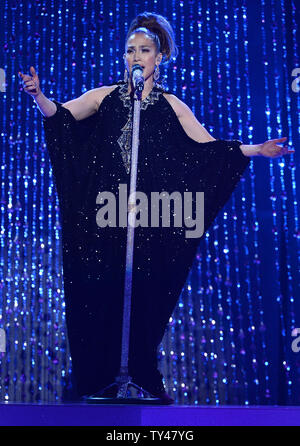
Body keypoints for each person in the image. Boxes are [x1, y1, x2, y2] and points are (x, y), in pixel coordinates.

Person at [18, 12, 294, 405]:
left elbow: (209, 150)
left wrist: (255, 149)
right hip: (105, 218)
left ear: (159, 57)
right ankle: (100, 378)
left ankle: (142, 375)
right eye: (130, 50)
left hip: (151, 217)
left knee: (147, 295)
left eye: (144, 50)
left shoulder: (172, 105)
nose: (136, 56)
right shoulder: (105, 97)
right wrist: (39, 97)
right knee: (102, 293)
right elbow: (62, 118)